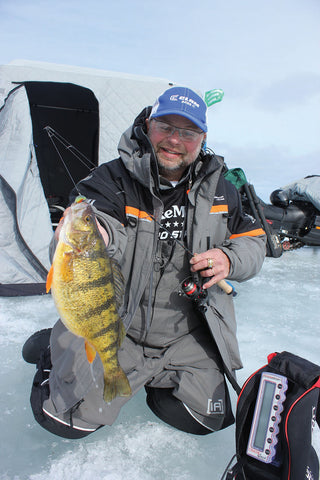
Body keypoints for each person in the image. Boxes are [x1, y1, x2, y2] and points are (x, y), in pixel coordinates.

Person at [23, 86, 266, 439]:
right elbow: (99, 220)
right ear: (148, 126)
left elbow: (254, 241)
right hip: (123, 327)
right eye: (166, 127)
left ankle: (156, 378)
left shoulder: (222, 189)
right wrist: (97, 238)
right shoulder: (111, 179)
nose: (174, 140)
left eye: (187, 132)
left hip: (188, 333)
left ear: (202, 138)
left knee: (202, 421)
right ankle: (54, 350)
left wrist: (230, 258)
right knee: (66, 421)